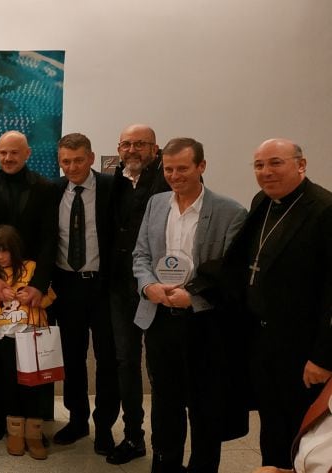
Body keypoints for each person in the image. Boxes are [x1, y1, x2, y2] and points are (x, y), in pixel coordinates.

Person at [132, 137, 247, 472]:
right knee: (165, 401)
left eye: (183, 168)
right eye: (169, 168)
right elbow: (141, 255)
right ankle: (165, 465)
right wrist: (148, 285)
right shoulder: (156, 204)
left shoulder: (231, 212)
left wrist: (192, 297)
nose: (175, 175)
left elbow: (229, 273)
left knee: (204, 406)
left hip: (203, 323)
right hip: (159, 318)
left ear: (201, 166)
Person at [223, 138, 332, 469]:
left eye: (275, 163)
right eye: (259, 165)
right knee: (271, 421)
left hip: (303, 348)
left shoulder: (324, 210)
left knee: (302, 430)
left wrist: (323, 357)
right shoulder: (262, 201)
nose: (266, 172)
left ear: (301, 164)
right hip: (262, 339)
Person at [0, 130, 57, 442]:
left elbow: (50, 240)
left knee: (33, 360)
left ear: (27, 154)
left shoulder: (46, 188)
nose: (7, 159)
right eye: (2, 153)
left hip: (31, 286)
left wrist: (38, 284)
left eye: (14, 153)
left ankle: (35, 422)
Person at [48, 133, 119, 454]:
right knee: (72, 359)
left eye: (78, 160)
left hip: (104, 287)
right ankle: (77, 420)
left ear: (91, 158)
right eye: (66, 161)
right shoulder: (53, 191)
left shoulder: (112, 187)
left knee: (107, 360)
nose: (72, 167)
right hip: (67, 286)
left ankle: (104, 427)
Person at [105, 123, 169, 465]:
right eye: (126, 144)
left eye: (140, 144)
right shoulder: (113, 180)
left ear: (154, 148)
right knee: (125, 363)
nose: (132, 150)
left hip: (159, 289)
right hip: (119, 288)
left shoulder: (169, 180)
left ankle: (165, 443)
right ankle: (134, 436)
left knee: (160, 368)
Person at [0, 224, 56, 460]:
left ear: (15, 249)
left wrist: (35, 296)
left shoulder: (31, 269)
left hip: (33, 335)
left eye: (5, 251)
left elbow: (50, 294)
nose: (0, 256)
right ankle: (15, 434)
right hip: (5, 338)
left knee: (33, 386)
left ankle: (34, 434)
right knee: (9, 384)